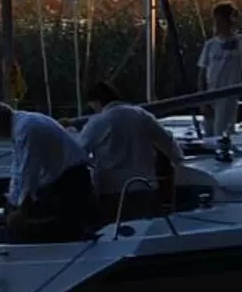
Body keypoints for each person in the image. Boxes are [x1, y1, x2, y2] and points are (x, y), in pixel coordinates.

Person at [0, 100, 97, 241]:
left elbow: (29, 171)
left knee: (65, 228)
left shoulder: (26, 128)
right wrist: (12, 201)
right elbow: (19, 169)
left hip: (71, 179)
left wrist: (21, 210)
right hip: (62, 177)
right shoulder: (20, 125)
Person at [77, 79, 181, 221]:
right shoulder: (142, 115)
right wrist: (179, 161)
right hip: (145, 187)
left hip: (112, 191)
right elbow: (167, 142)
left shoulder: (98, 122)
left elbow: (78, 152)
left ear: (96, 101)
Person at [196, 2, 242, 139]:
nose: (217, 24)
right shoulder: (210, 44)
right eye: (215, 20)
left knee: (221, 135)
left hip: (228, 96)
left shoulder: (239, 42)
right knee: (208, 136)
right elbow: (201, 74)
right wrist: (202, 101)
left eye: (220, 20)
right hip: (210, 94)